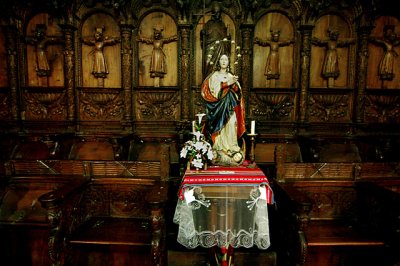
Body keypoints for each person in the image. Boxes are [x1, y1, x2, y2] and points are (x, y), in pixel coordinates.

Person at [201, 54, 246, 166]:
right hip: (218, 108)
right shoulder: (214, 76)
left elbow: (238, 94)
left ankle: (231, 148)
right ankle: (219, 148)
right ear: (219, 62)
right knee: (219, 130)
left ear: (228, 62)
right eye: (221, 59)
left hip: (230, 108)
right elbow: (213, 91)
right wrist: (227, 84)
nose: (224, 61)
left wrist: (234, 85)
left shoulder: (231, 75)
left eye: (226, 59)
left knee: (231, 125)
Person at [201, 1, 231, 78]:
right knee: (207, 63)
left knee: (221, 63)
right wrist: (202, 33)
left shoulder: (222, 24)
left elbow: (225, 39)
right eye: (216, 12)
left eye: (219, 13)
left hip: (220, 47)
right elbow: (203, 39)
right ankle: (207, 81)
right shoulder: (208, 24)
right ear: (213, 13)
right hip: (210, 47)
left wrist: (228, 38)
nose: (217, 14)